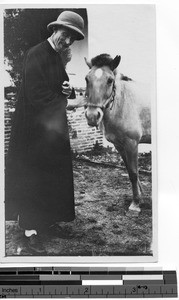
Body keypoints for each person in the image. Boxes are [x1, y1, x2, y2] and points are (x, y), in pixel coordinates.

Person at [5, 11, 86, 254]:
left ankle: (47, 222)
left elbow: (60, 86)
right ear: (56, 29)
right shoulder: (36, 54)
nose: (69, 42)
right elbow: (36, 95)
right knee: (34, 177)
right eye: (66, 35)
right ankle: (30, 230)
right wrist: (66, 103)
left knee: (52, 176)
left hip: (51, 130)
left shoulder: (56, 56)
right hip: (33, 131)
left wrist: (68, 89)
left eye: (73, 38)